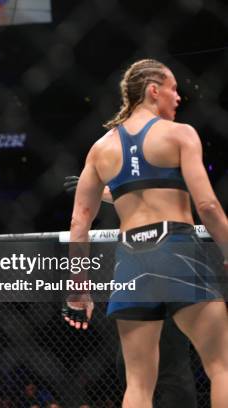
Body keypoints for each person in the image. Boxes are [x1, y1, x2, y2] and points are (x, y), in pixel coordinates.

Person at [62, 59, 228, 407]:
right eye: (173, 89)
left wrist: (80, 288)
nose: (178, 98)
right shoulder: (179, 133)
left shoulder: (101, 149)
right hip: (178, 248)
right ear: (154, 90)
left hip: (131, 261)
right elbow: (208, 205)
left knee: (137, 385)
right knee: (221, 368)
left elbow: (79, 223)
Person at [63, 176, 197, 407]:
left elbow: (79, 222)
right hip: (158, 259)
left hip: (146, 258)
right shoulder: (167, 144)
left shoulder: (108, 149)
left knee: (145, 373)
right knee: (146, 368)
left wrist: (79, 288)